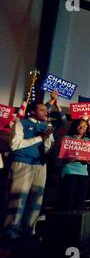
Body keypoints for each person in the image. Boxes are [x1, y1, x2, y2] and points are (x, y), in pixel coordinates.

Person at [2, 102, 54, 239]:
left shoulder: (46, 127)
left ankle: (29, 231)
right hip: (23, 163)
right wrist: (39, 138)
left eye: (46, 110)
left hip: (40, 165)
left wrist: (47, 139)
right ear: (31, 112)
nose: (45, 112)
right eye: (42, 109)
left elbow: (48, 149)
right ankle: (10, 232)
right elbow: (14, 145)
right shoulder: (21, 124)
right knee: (18, 199)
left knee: (35, 200)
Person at [59, 119, 90, 211]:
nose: (82, 128)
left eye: (85, 126)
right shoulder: (67, 138)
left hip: (83, 172)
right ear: (75, 126)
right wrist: (69, 158)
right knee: (69, 197)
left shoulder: (88, 140)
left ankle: (77, 222)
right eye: (80, 125)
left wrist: (89, 160)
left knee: (80, 199)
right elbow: (59, 156)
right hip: (69, 170)